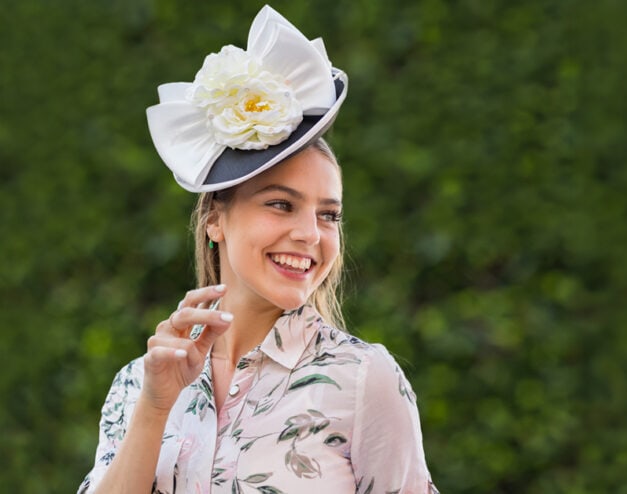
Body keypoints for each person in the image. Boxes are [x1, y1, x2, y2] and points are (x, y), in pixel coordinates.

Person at [79, 6, 437, 493]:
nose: (311, 233)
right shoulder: (138, 384)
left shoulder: (363, 380)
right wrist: (155, 407)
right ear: (215, 220)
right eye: (281, 204)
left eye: (328, 214)